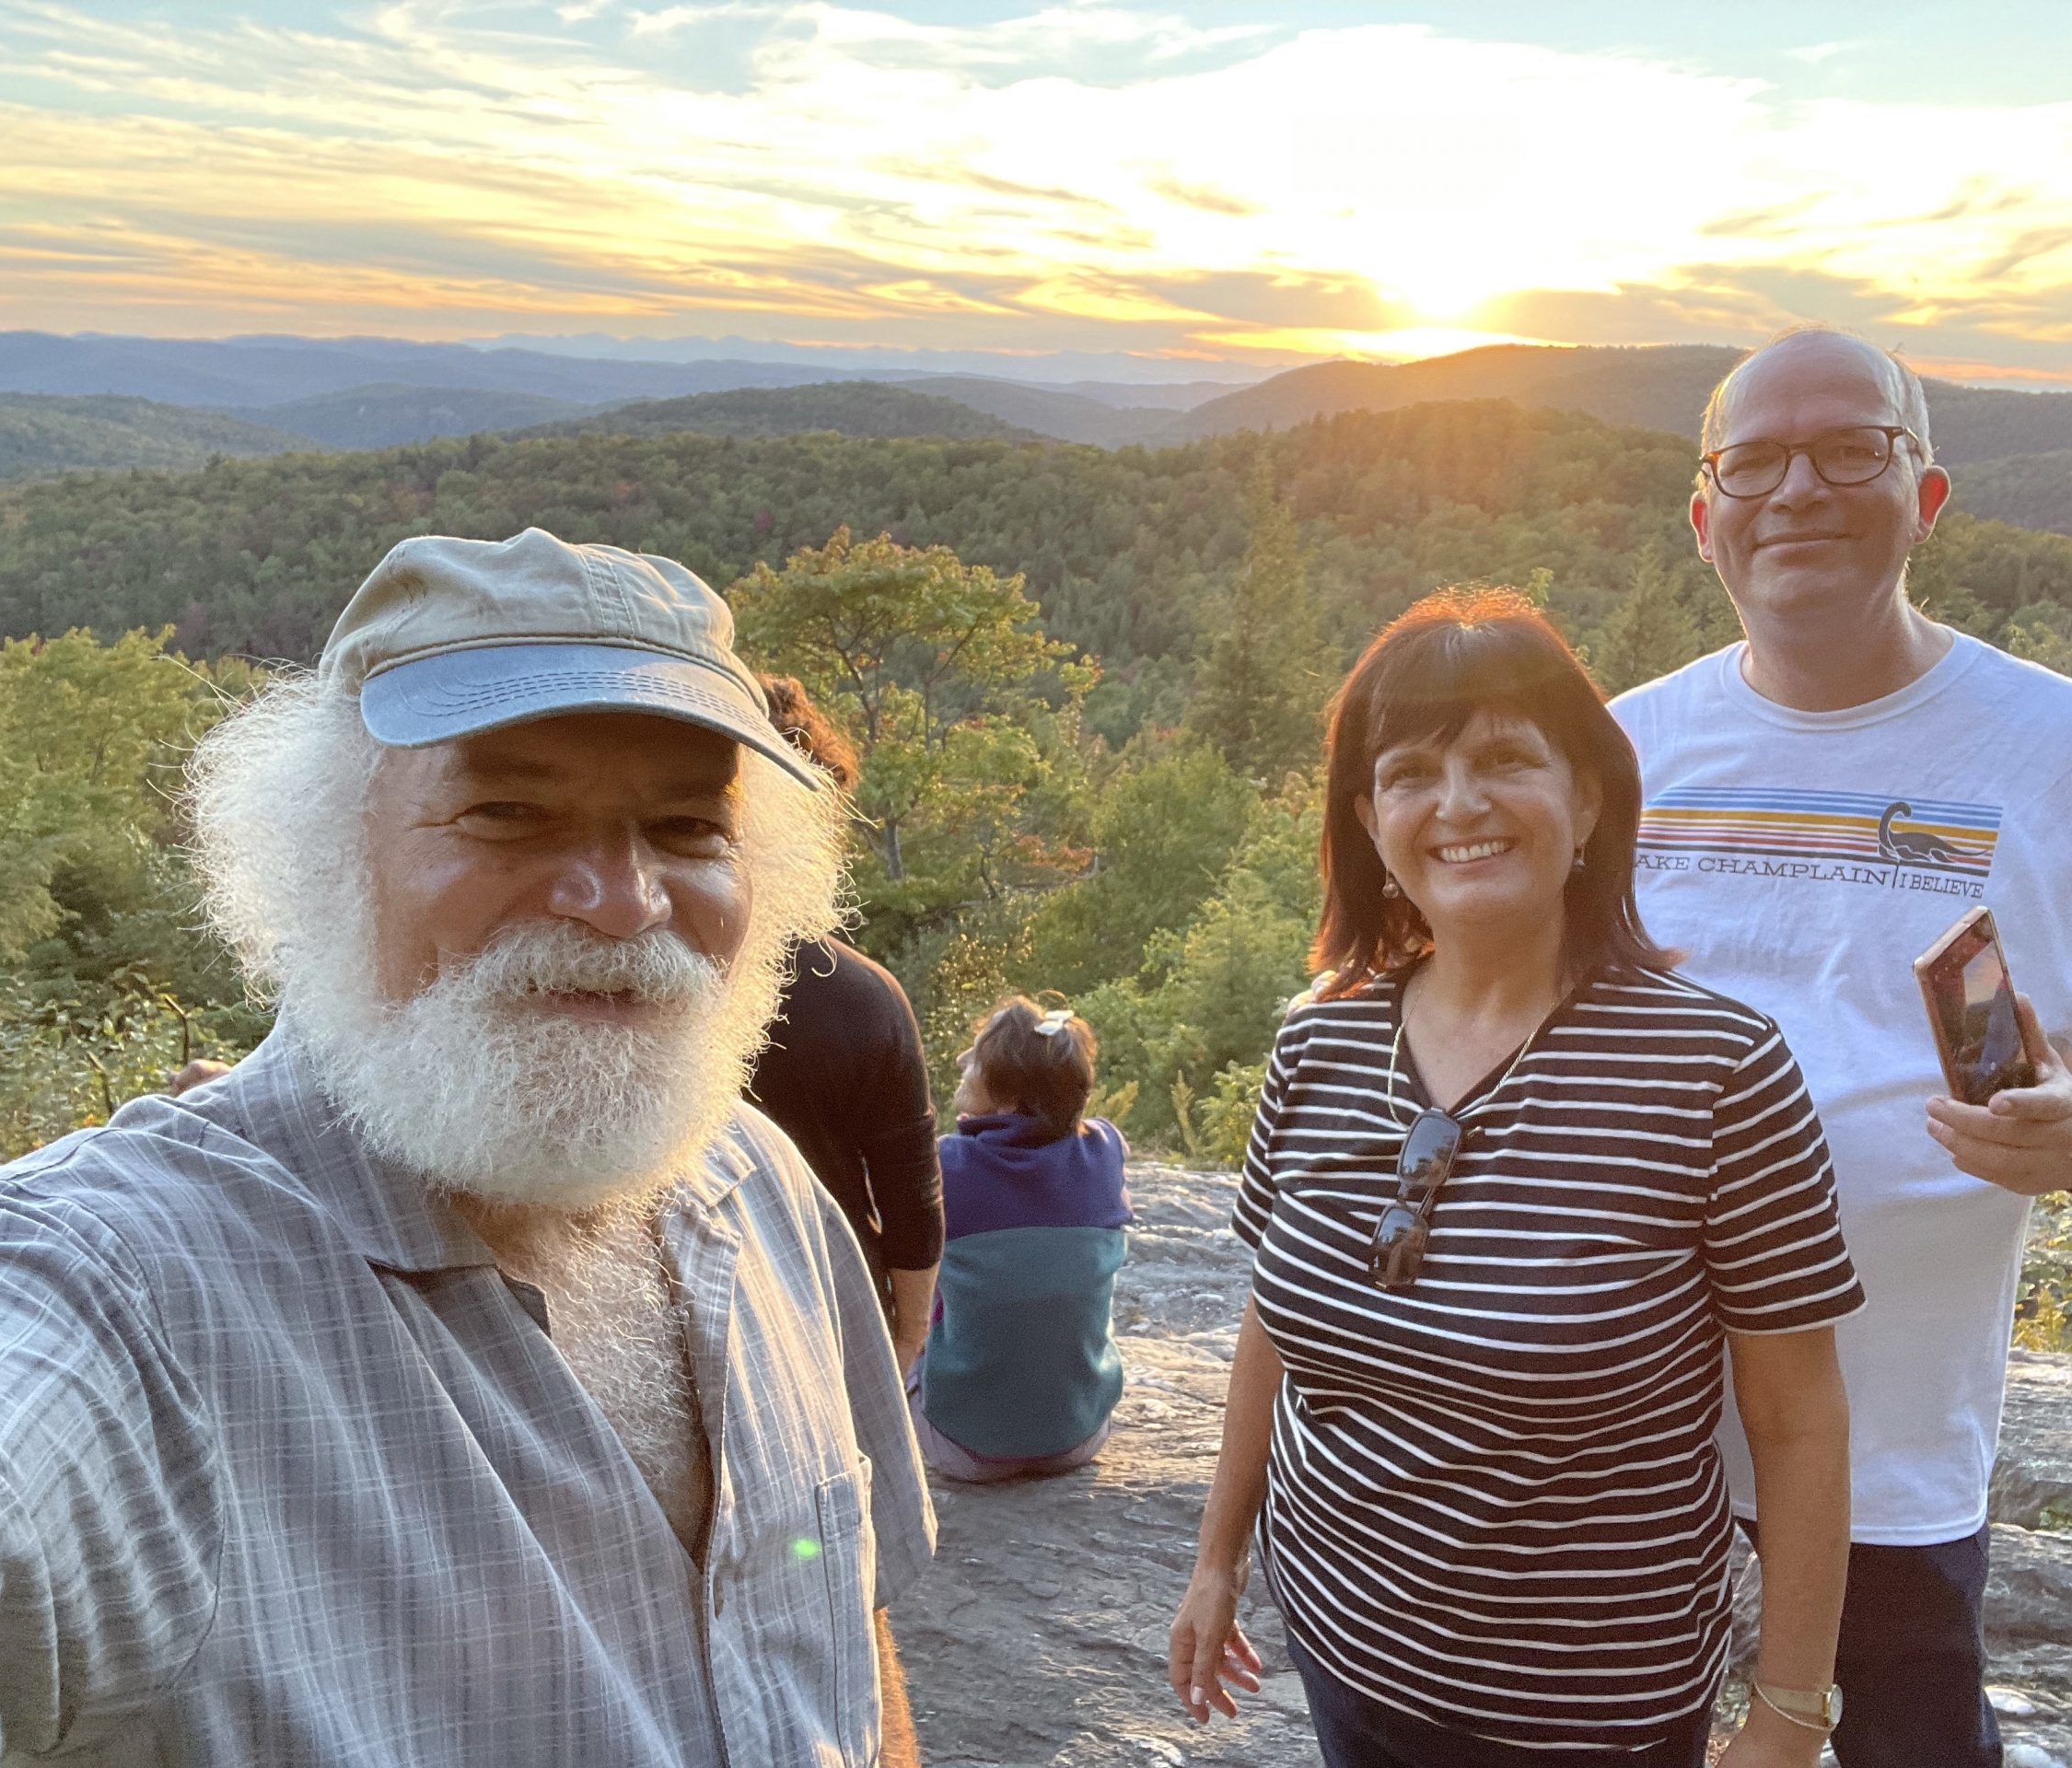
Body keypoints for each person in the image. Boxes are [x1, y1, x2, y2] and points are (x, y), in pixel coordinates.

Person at [0, 528, 934, 1766]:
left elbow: (845, 1618)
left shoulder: (763, 1186)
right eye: (507, 811)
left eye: (689, 826)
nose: (623, 900)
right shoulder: (111, 1297)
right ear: (323, 853)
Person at [1611, 327, 2072, 1768]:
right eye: (1754, 462)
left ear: (1926, 498)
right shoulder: (1618, 757)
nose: (1800, 489)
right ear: (1705, 518)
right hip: (1608, 1435)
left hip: (1888, 1455)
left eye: (1852, 449)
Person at [1170, 591, 1865, 1768]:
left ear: (1586, 799)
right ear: (1369, 822)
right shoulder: (1318, 1039)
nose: (1458, 804)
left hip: (1588, 1708)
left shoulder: (1715, 1070)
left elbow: (1796, 1421)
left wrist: (1789, 1717)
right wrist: (1216, 1560)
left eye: (1503, 759)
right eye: (1411, 773)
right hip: (1342, 1642)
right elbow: (1272, 1324)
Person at [748, 675, 946, 1372]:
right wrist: (906, 1338)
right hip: (830, 1310)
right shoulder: (866, 997)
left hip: (667, 1317)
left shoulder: (632, 978)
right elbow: (912, 1203)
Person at [908, 998, 1131, 1484]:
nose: (961, 1061)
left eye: (976, 1058)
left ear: (1010, 1100)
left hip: (963, 1450)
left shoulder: (944, 1167)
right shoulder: (1108, 1149)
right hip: (1079, 1437)